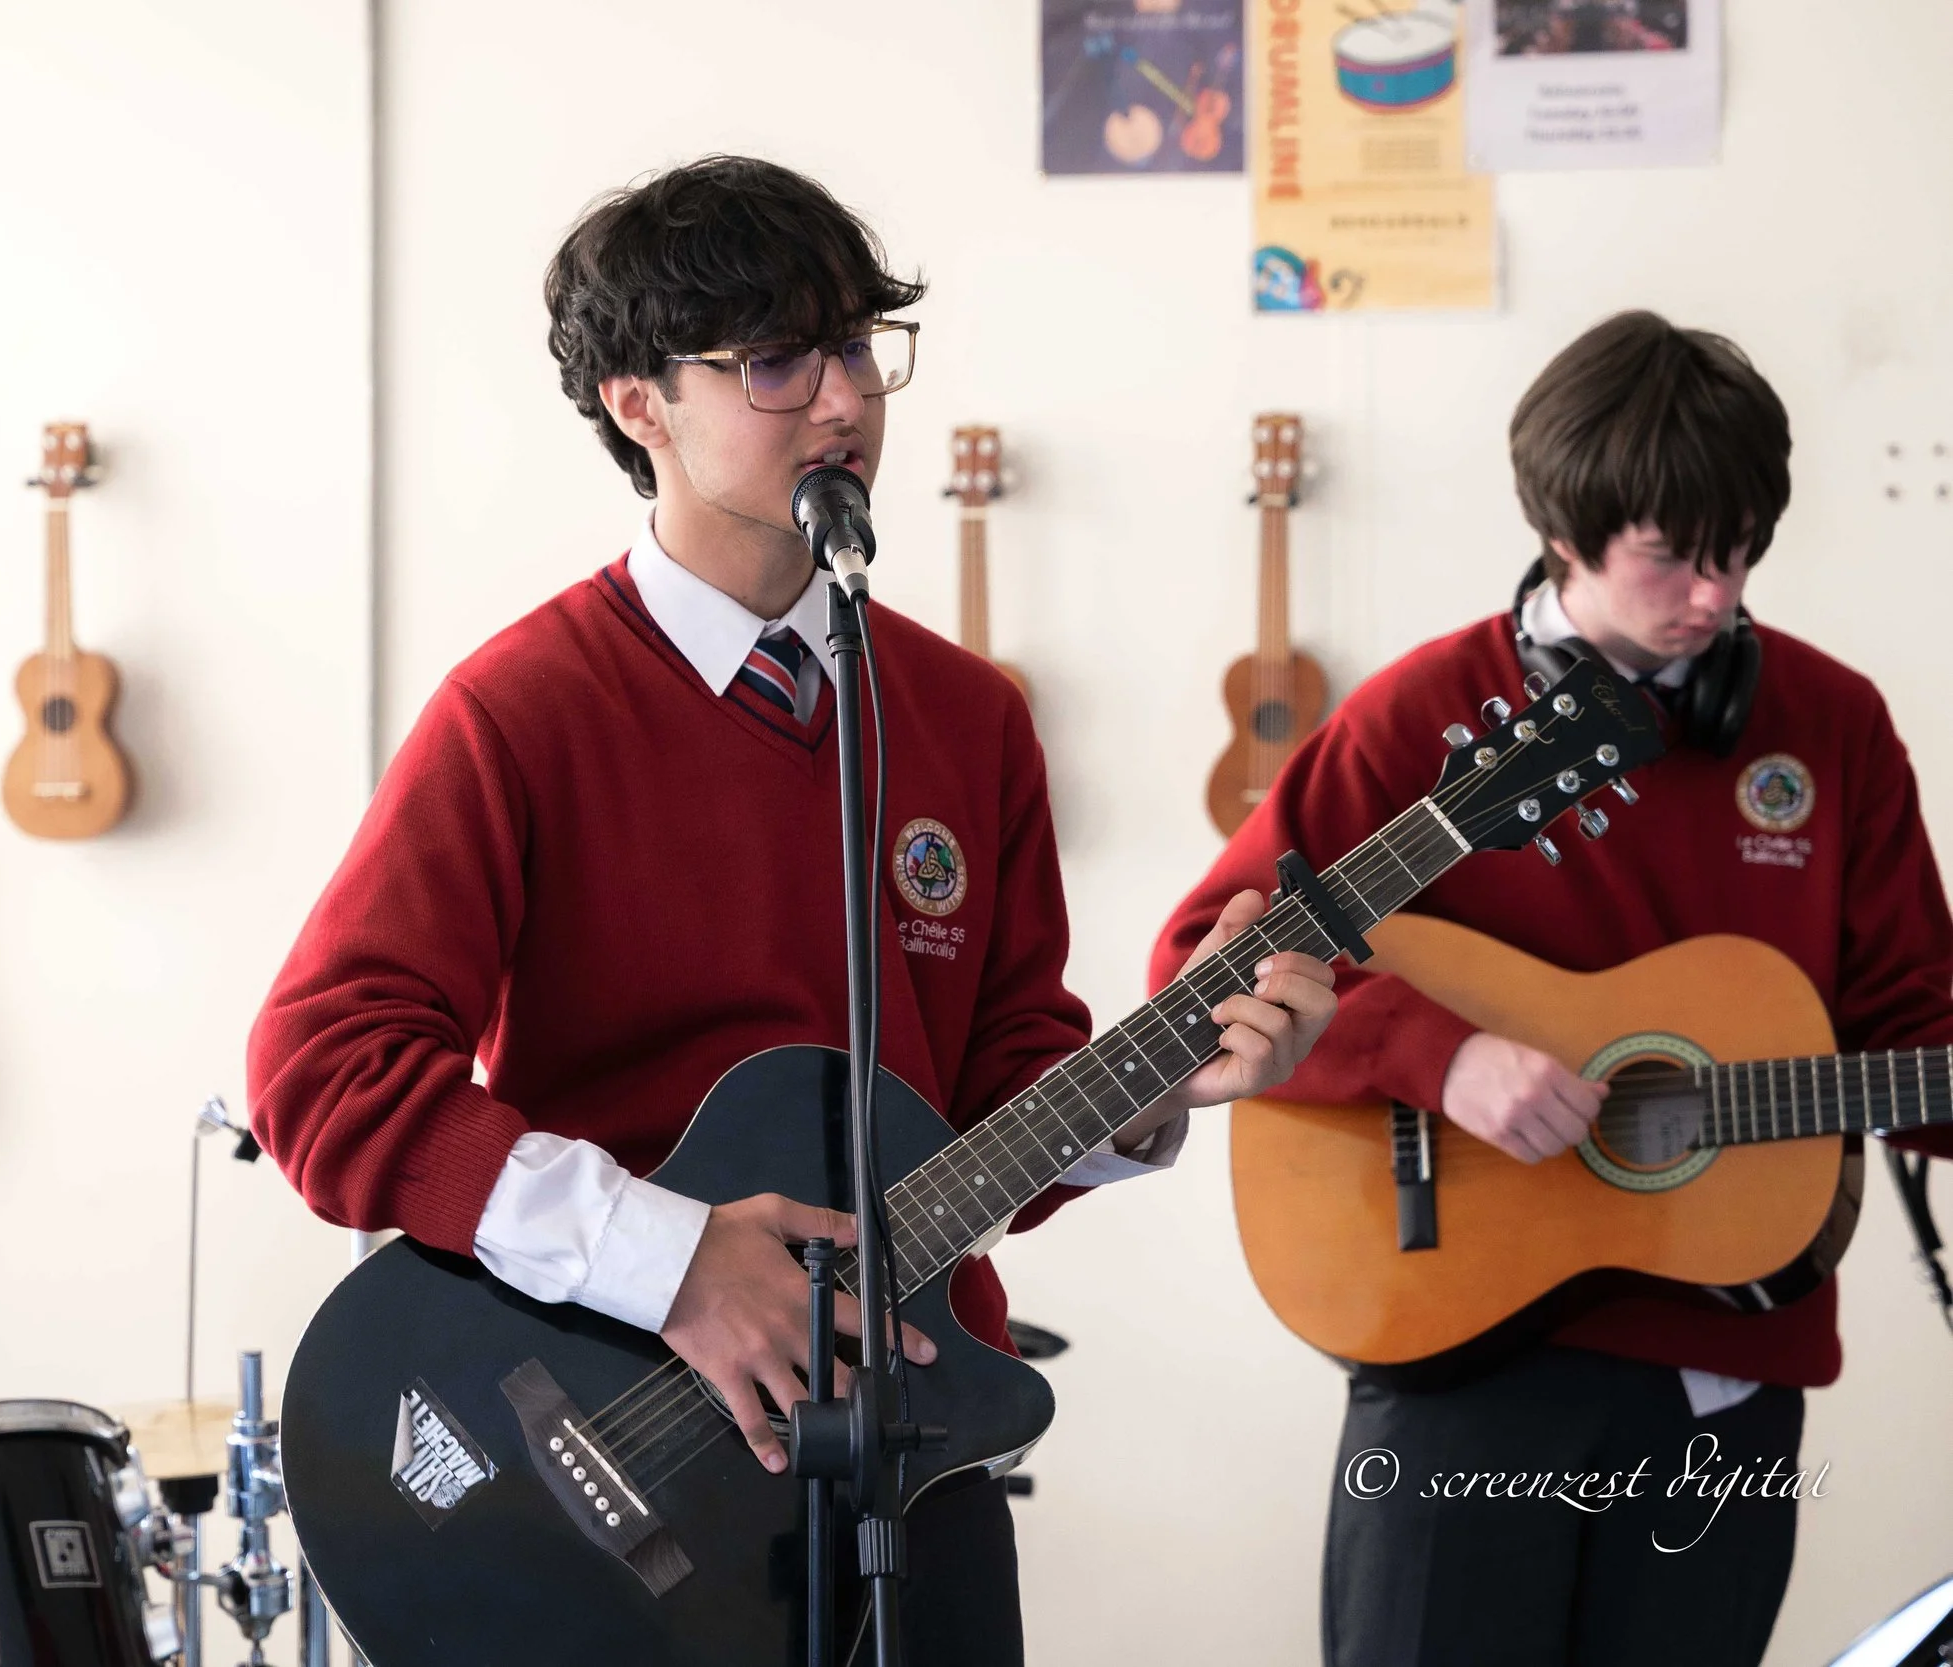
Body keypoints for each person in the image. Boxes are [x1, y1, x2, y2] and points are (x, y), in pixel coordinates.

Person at [249, 154, 1337, 1659]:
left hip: (916, 1454)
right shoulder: (520, 710)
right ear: (640, 403)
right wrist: (673, 1258)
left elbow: (997, 1095)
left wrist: (1161, 1086)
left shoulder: (966, 715)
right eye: (775, 361)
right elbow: (325, 1067)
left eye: (857, 349)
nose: (842, 402)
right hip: (611, 1475)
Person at [1153, 310, 1953, 1667]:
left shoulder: (1832, 724)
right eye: (1674, 555)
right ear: (1567, 531)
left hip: (1726, 1377)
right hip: (1459, 1352)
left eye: (1743, 550)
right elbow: (1201, 964)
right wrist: (1436, 1055)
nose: (1718, 595)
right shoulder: (1422, 718)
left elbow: (1911, 1027)